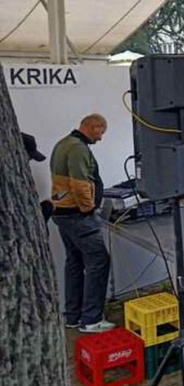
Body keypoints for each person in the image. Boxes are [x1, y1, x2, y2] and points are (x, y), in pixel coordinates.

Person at [50, 114, 114, 333]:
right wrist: (89, 209)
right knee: (99, 261)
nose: (101, 137)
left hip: (63, 213)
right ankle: (91, 319)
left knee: (75, 262)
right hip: (78, 216)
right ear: (93, 126)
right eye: (101, 132)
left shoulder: (63, 143)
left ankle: (73, 316)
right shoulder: (78, 148)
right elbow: (79, 184)